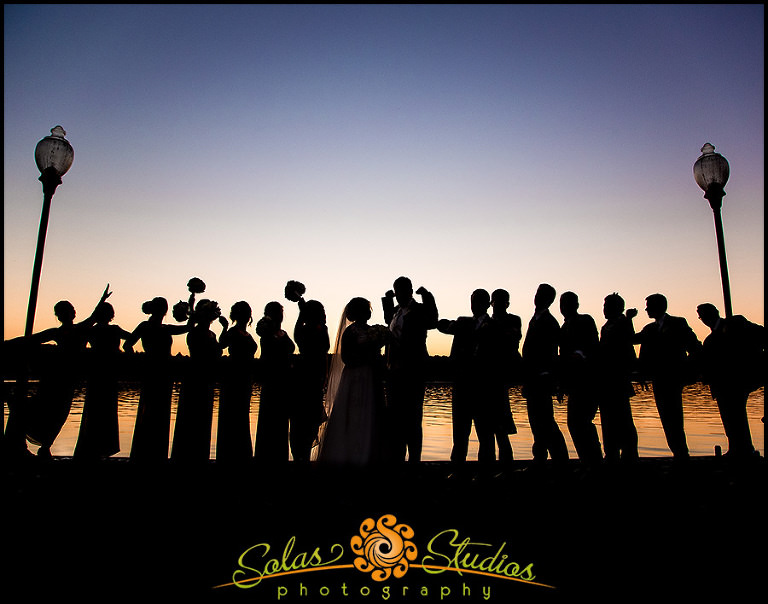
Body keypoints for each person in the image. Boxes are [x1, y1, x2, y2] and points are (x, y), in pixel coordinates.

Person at [24, 286, 112, 459]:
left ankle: (45, 447)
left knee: (60, 414)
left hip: (70, 378)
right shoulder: (59, 332)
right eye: (69, 310)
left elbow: (94, 317)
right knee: (50, 411)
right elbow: (32, 340)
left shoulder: (81, 328)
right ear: (61, 315)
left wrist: (102, 300)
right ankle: (40, 446)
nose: (73, 311)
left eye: (72, 309)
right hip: (55, 377)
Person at [318, 297, 389, 466]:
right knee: (354, 413)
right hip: (355, 378)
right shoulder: (350, 332)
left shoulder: (373, 330)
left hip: (371, 378)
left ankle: (370, 452)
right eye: (366, 309)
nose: (368, 312)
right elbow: (347, 357)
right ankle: (351, 453)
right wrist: (366, 358)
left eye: (369, 309)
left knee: (371, 412)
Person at [634, 293, 702, 460]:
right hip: (658, 379)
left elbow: (693, 345)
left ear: (659, 306)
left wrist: (691, 369)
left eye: (649, 305)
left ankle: (682, 455)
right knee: (667, 418)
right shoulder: (649, 329)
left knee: (674, 418)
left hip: (673, 377)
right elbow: (634, 340)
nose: (646, 309)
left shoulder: (678, 323)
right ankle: (678, 453)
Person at [437, 289, 497, 470]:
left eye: (478, 301)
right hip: (461, 384)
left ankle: (486, 472)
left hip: (483, 387)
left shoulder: (493, 326)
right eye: (472, 301)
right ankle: (458, 469)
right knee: (460, 433)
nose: (474, 305)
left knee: (485, 433)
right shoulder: (463, 322)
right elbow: (443, 327)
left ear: (487, 304)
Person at [124, 297, 189, 462]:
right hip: (153, 372)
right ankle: (147, 452)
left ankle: (155, 451)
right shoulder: (147, 327)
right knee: (152, 408)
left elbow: (188, 327)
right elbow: (127, 345)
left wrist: (191, 303)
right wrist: (138, 364)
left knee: (159, 410)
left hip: (164, 373)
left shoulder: (162, 328)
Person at [381, 277, 438, 463]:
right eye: (397, 291)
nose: (400, 294)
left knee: (413, 418)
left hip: (413, 370)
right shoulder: (396, 312)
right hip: (393, 372)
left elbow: (433, 321)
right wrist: (387, 299)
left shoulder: (420, 310)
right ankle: (397, 459)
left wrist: (428, 296)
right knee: (395, 418)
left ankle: (414, 461)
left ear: (411, 290)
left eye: (403, 290)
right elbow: (388, 318)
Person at [696, 303, 764, 459]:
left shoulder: (736, 323)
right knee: (729, 418)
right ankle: (736, 448)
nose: (704, 319)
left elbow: (761, 334)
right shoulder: (710, 340)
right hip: (721, 386)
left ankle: (745, 450)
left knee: (737, 416)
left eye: (705, 315)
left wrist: (756, 360)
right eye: (701, 317)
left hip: (739, 381)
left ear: (715, 313)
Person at [74, 301, 132, 460]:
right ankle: (104, 448)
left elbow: (80, 346)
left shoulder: (91, 331)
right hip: (109, 373)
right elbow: (132, 337)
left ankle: (91, 447)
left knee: (94, 409)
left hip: (97, 372)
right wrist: (128, 353)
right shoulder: (114, 330)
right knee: (107, 410)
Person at [171, 299, 225, 463]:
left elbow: (218, 351)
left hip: (208, 380)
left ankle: (200, 454)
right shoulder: (194, 333)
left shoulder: (212, 334)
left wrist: (224, 329)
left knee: (203, 418)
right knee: (191, 417)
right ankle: (186, 455)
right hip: (195, 379)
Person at [521, 284, 569, 467]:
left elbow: (551, 353)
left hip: (541, 378)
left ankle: (560, 460)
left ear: (548, 300)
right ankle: (540, 458)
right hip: (533, 378)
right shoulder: (536, 319)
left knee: (545, 422)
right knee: (537, 422)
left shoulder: (549, 322)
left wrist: (549, 377)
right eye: (537, 294)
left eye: (541, 295)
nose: (536, 297)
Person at [558, 291, 602, 465]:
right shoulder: (564, 327)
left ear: (576, 305)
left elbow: (593, 346)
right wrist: (562, 384)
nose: (564, 308)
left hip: (587, 381)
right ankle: (589, 460)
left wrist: (580, 356)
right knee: (575, 424)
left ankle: (594, 461)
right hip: (574, 383)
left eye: (567, 304)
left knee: (581, 422)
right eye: (562, 304)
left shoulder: (585, 321)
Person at [596, 293, 639, 463]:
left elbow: (628, 346)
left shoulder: (622, 324)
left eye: (607, 306)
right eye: (604, 306)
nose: (604, 309)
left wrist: (629, 318)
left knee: (623, 419)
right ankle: (612, 453)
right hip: (606, 380)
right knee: (608, 420)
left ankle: (628, 454)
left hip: (618, 380)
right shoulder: (606, 326)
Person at [290, 296, 330, 464]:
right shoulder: (317, 330)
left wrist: (301, 311)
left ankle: (301, 456)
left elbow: (298, 334)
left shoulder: (305, 329)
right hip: (310, 376)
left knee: (303, 419)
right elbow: (326, 347)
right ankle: (302, 455)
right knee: (306, 418)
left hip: (310, 376)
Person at [254, 301, 296, 463]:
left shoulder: (282, 333)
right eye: (278, 312)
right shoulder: (266, 332)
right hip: (273, 379)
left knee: (281, 421)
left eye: (281, 312)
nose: (281, 315)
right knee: (270, 418)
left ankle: (280, 456)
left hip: (285, 381)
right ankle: (266, 456)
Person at [217, 301, 258, 464]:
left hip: (246, 379)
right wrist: (224, 328)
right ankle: (230, 454)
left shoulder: (247, 335)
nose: (246, 316)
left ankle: (241, 452)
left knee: (242, 414)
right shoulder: (233, 332)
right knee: (232, 414)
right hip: (234, 378)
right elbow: (221, 344)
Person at [488, 289, 522, 466]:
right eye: (496, 301)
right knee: (490, 429)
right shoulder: (487, 323)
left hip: (502, 377)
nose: (499, 305)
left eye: (503, 302)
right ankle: (494, 465)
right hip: (488, 378)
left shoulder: (512, 320)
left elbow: (513, 338)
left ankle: (505, 466)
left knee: (501, 427)